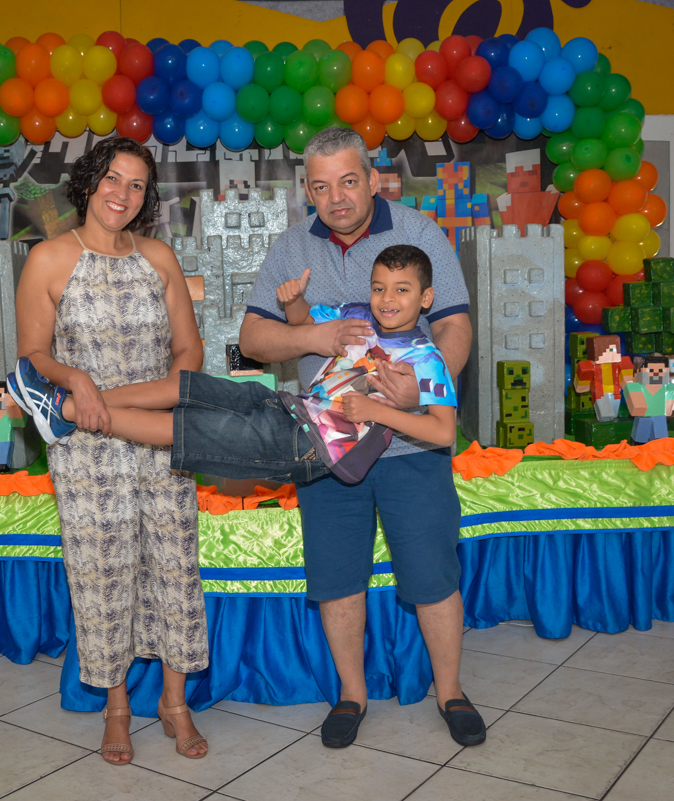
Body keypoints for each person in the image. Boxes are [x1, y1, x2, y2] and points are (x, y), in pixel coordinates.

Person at [239, 126, 485, 749]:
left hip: (412, 445)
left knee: (432, 571)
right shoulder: (291, 247)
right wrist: (313, 337)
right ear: (307, 191)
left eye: (349, 181)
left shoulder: (420, 233)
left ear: (374, 179)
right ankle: (351, 695)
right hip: (326, 445)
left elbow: (455, 326)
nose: (337, 198)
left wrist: (423, 391)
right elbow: (252, 340)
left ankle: (451, 692)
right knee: (336, 574)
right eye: (321, 187)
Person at [13, 136, 208, 765]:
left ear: (147, 197)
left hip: (160, 437)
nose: (123, 193)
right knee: (102, 574)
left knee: (174, 568)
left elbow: (190, 352)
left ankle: (175, 704)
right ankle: (116, 708)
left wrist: (130, 399)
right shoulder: (48, 258)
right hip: (87, 448)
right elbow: (33, 356)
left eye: (137, 184)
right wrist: (75, 378)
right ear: (90, 181)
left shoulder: (159, 258)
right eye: (113, 179)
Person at [10, 245, 457, 487]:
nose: (387, 299)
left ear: (426, 298)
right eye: (380, 288)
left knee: (186, 427)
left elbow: (442, 432)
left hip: (312, 447)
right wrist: (294, 302)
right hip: (290, 408)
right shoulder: (358, 315)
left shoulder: (427, 359)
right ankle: (68, 399)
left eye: (401, 290)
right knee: (188, 387)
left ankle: (64, 412)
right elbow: (303, 322)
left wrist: (377, 412)